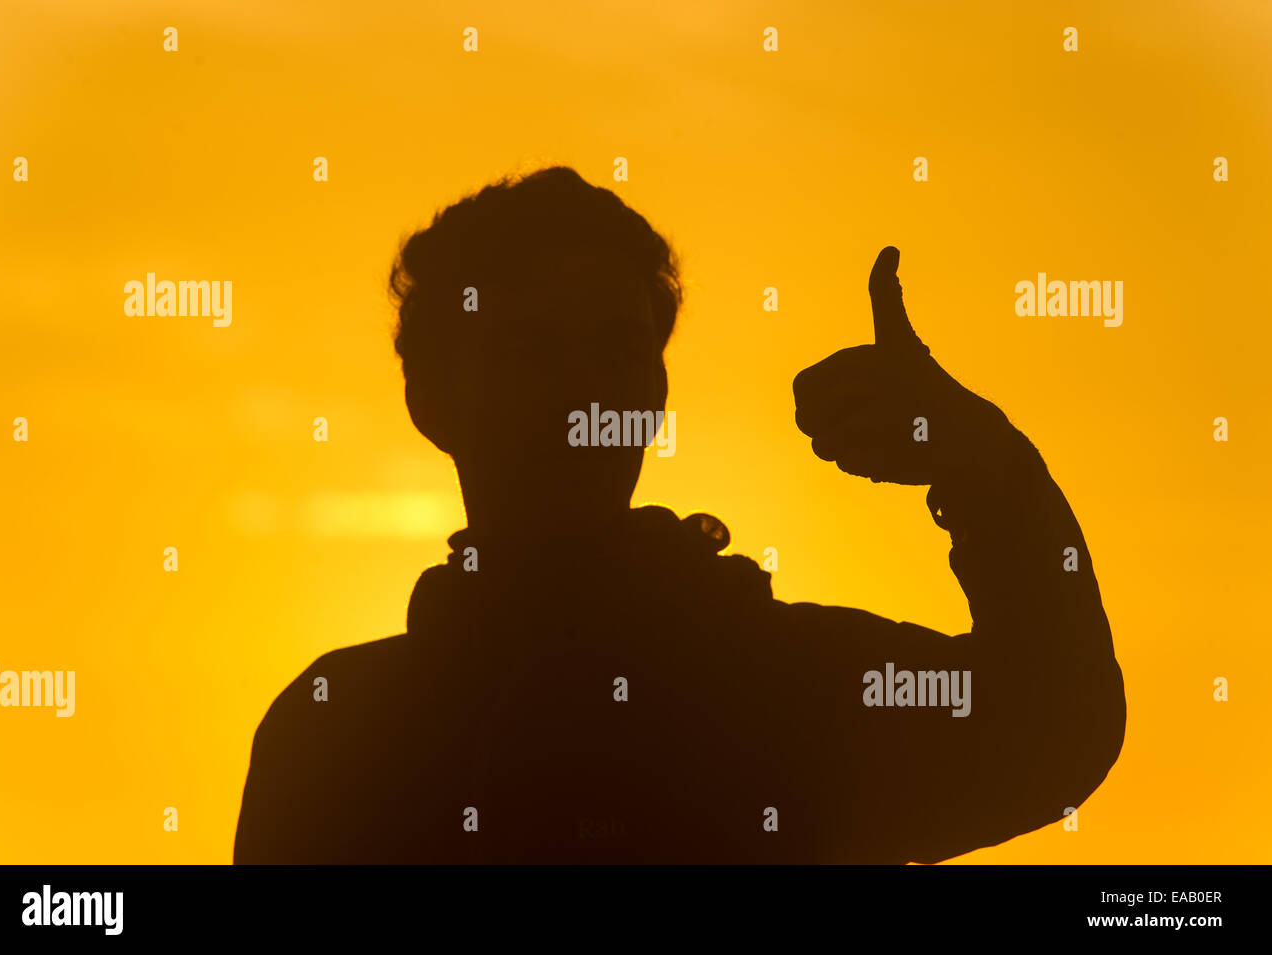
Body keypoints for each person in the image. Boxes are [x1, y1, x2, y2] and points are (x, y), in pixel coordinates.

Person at [234, 166, 1126, 864]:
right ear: (430, 399)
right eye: (532, 350)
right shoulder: (330, 739)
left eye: (616, 348)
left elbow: (1052, 726)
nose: (582, 390)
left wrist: (986, 466)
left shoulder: (779, 689)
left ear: (656, 393)